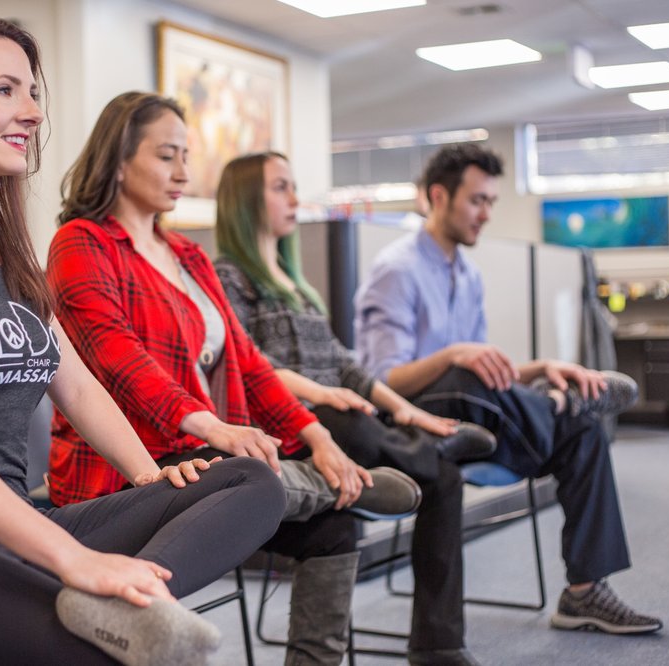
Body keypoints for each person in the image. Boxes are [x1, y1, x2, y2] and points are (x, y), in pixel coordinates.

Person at [0, 17, 289, 666]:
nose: (31, 111)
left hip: (16, 524)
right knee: (109, 655)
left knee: (249, 480)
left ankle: (123, 606)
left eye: (33, 92)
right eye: (5, 90)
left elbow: (76, 386)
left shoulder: (9, 255)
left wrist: (151, 480)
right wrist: (78, 561)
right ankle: (117, 611)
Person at [46, 91, 421, 666]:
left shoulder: (191, 256)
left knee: (334, 528)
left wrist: (317, 436)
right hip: (128, 467)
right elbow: (118, 358)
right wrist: (216, 428)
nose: (183, 174)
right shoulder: (82, 244)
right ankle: (355, 483)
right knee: (254, 477)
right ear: (119, 161)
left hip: (197, 454)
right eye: (166, 156)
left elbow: (247, 358)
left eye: (187, 157)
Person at [354, 142, 662, 661]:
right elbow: (383, 380)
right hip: (407, 423)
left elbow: (487, 369)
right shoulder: (397, 269)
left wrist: (539, 368)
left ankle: (584, 592)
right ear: (438, 196)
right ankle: (555, 409)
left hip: (474, 415)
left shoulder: (466, 274)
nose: (487, 214)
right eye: (477, 201)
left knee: (582, 431)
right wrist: (457, 353)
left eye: (491, 202)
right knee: (464, 374)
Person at [212, 151, 501, 665]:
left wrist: (404, 410)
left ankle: (438, 644)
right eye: (281, 187)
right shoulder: (227, 278)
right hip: (288, 422)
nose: (296, 199)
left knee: (444, 478)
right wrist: (319, 395)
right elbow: (245, 368)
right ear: (244, 200)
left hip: (339, 416)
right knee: (346, 418)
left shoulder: (295, 284)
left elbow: (348, 366)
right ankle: (429, 450)